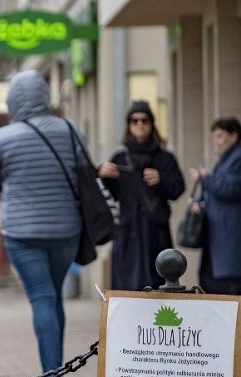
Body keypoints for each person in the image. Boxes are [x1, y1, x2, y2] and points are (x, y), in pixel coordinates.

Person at [0, 69, 86, 377]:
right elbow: (85, 174)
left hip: (22, 231)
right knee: (54, 294)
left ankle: (51, 374)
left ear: (12, 99)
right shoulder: (69, 129)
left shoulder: (4, 137)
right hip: (66, 228)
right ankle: (57, 369)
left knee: (41, 296)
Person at [97, 101, 184, 291]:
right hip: (128, 231)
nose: (139, 125)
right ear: (129, 126)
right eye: (134, 121)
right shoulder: (119, 158)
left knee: (157, 282)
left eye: (144, 120)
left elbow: (178, 189)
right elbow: (109, 196)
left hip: (155, 231)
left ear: (152, 124)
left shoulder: (164, 158)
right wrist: (103, 176)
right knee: (127, 287)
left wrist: (161, 180)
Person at [189, 117, 241, 295]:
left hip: (231, 241)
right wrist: (198, 202)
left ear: (233, 136)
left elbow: (231, 187)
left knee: (229, 290)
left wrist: (205, 177)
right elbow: (212, 190)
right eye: (214, 137)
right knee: (211, 286)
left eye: (220, 136)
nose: (216, 141)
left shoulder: (238, 157)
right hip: (215, 237)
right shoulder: (224, 160)